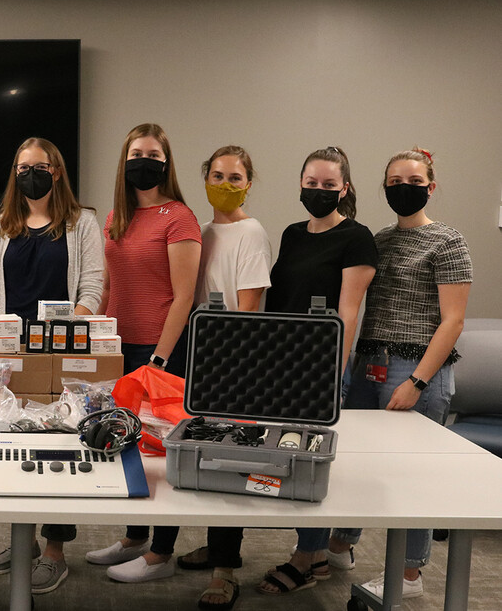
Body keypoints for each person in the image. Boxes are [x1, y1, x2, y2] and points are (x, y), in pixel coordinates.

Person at [327, 147, 472, 600]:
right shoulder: (381, 239)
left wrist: (417, 382)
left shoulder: (448, 241)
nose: (402, 189)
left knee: (413, 475)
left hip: (416, 369)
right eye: (394, 182)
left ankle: (410, 575)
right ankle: (339, 545)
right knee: (355, 462)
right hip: (368, 363)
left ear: (431, 186)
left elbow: (453, 321)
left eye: (413, 181)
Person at [0, 137, 103, 594]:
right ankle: (23, 540)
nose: (31, 173)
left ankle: (55, 550)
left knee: (60, 450)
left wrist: (62, 338)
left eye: (41, 166)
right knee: (15, 447)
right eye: (23, 166)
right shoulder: (2, 226)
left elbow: (91, 290)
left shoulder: (82, 222)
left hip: (64, 354)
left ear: (58, 172)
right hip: (14, 357)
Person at [256, 146, 377, 596]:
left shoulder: (357, 237)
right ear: (301, 183)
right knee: (291, 455)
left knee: (310, 460)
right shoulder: (291, 233)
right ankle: (319, 555)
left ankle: (305, 558)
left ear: (344, 188)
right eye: (312, 183)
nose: (320, 191)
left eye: (329, 185)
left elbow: (348, 312)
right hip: (282, 361)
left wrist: (332, 371)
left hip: (322, 365)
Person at [87, 123, 201, 584]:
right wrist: (94, 334)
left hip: (161, 351)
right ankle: (134, 538)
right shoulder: (118, 215)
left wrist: (159, 356)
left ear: (166, 162)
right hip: (120, 348)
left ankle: (162, 554)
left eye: (153, 154)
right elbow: (111, 284)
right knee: (127, 442)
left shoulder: (180, 217)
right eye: (136, 153)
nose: (144, 161)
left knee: (162, 449)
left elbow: (184, 295)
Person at [174, 146, 271, 610]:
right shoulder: (202, 231)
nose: (227, 184)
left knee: (230, 466)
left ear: (249, 183)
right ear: (204, 177)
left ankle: (225, 571)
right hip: (199, 357)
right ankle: (215, 548)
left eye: (236, 177)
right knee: (201, 459)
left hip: (237, 363)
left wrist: (225, 364)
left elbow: (248, 310)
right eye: (218, 175)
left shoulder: (252, 233)